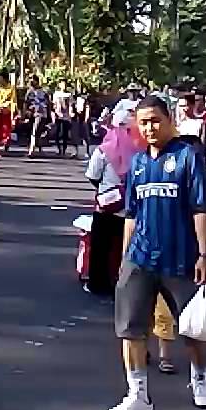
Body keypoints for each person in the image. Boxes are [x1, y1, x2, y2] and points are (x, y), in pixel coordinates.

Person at [106, 96, 206, 410]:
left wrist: (205, 254)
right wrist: (126, 259)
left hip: (180, 258)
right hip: (141, 258)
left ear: (169, 120)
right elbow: (131, 215)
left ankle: (200, 377)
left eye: (155, 120)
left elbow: (201, 209)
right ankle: (137, 393)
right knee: (130, 328)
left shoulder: (188, 157)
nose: (150, 128)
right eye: (144, 122)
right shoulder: (138, 163)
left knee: (192, 327)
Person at [84, 112, 139, 296]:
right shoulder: (140, 150)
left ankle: (97, 283)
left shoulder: (103, 150)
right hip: (130, 207)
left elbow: (92, 175)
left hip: (106, 205)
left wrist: (105, 189)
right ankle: (123, 282)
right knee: (126, 247)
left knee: (100, 247)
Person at [24, 76, 50, 158]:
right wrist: (25, 113)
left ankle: (32, 150)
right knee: (32, 132)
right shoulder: (29, 92)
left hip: (40, 114)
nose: (31, 82)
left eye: (33, 80)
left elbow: (48, 104)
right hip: (31, 114)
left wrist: (49, 116)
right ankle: (36, 148)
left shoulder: (43, 92)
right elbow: (26, 103)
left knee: (36, 131)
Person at [51, 80, 74, 158]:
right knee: (57, 133)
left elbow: (70, 105)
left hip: (66, 116)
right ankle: (58, 148)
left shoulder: (68, 95)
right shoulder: (56, 94)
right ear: (59, 85)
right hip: (58, 115)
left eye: (65, 84)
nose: (63, 86)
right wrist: (54, 114)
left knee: (65, 134)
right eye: (62, 84)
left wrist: (70, 114)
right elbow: (53, 105)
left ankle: (64, 149)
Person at [0, 71, 16, 150]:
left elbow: (13, 100)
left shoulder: (11, 88)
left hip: (7, 109)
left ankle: (6, 143)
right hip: (0, 109)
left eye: (0, 78)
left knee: (6, 127)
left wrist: (12, 112)